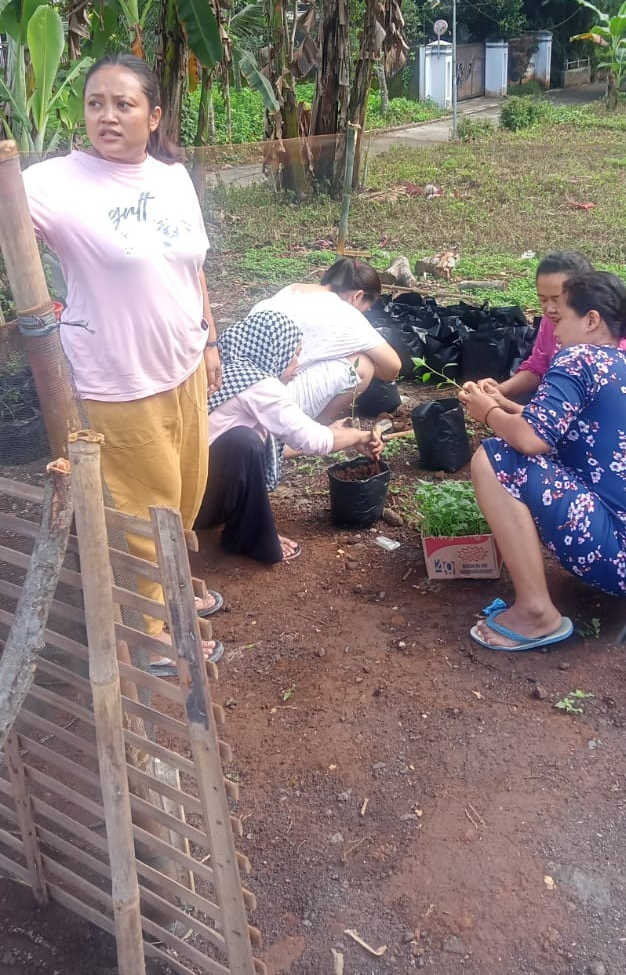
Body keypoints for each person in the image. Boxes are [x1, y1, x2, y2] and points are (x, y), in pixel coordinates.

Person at [22, 54, 223, 673]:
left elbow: (193, 267)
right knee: (141, 510)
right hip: (117, 377)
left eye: (124, 103)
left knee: (185, 494)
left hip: (185, 365)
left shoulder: (171, 178)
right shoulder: (54, 183)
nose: (107, 116)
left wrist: (211, 340)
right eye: (94, 103)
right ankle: (154, 632)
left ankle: (175, 584)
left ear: (154, 115)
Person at [458, 271, 626, 653]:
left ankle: (537, 614)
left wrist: (488, 414)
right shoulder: (620, 364)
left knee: (494, 458)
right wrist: (506, 407)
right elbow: (566, 430)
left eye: (559, 319)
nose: (554, 330)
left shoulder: (578, 358)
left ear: (591, 320)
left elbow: (532, 440)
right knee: (516, 445)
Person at [195, 310, 384, 561]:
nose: (297, 366)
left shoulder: (227, 372)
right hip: (200, 508)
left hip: (188, 498)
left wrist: (340, 434)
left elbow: (279, 447)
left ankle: (246, 527)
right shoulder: (257, 384)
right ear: (273, 350)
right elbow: (313, 440)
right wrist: (358, 436)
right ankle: (249, 537)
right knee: (244, 442)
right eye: (294, 355)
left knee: (247, 442)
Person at [490, 250, 626, 440]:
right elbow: (538, 367)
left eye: (557, 299)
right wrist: (500, 391)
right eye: (542, 299)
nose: (549, 309)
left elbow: (586, 418)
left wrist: (498, 410)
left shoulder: (614, 348)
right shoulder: (557, 321)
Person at [249, 258, 401, 422]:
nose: (368, 309)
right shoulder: (345, 313)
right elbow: (393, 367)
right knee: (362, 364)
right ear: (358, 296)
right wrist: (375, 366)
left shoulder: (291, 289)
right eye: (369, 304)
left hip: (239, 389)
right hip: (270, 402)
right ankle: (313, 429)